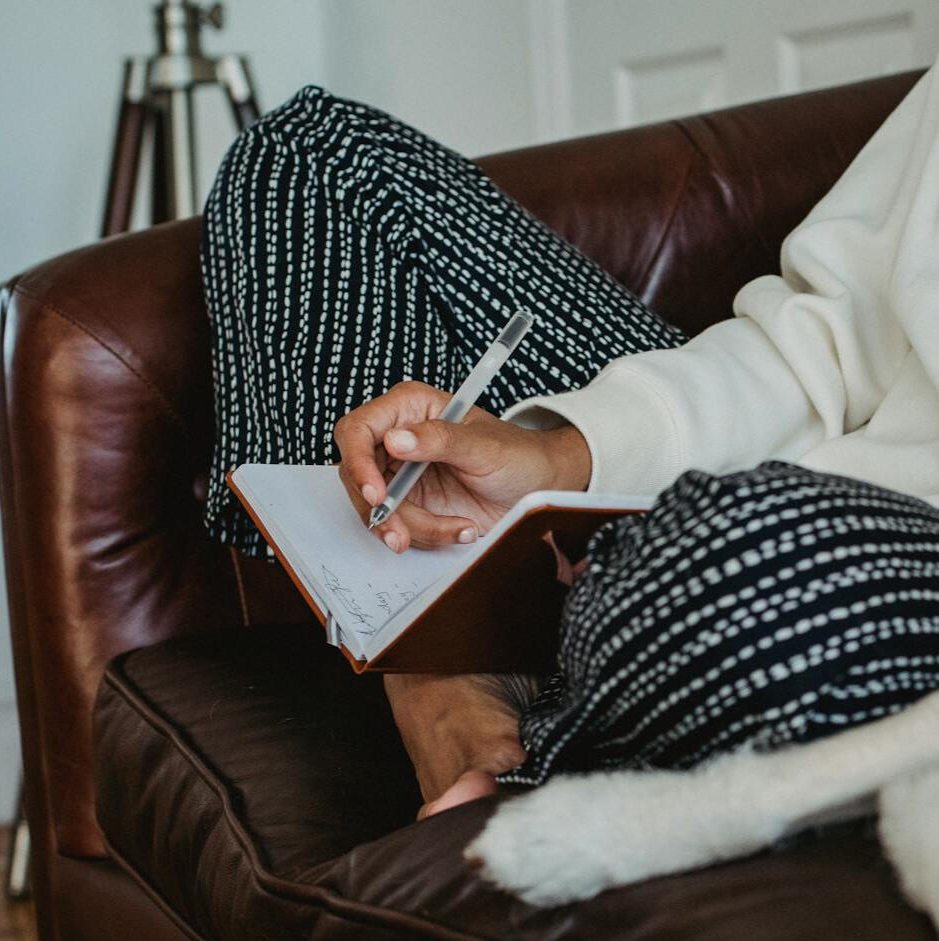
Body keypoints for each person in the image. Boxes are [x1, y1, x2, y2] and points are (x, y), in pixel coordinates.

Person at [201, 69, 939, 823]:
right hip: (759, 493)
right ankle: (433, 656)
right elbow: (824, 343)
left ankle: (479, 661)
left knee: (749, 600)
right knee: (313, 157)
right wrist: (560, 457)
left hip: (852, 584)